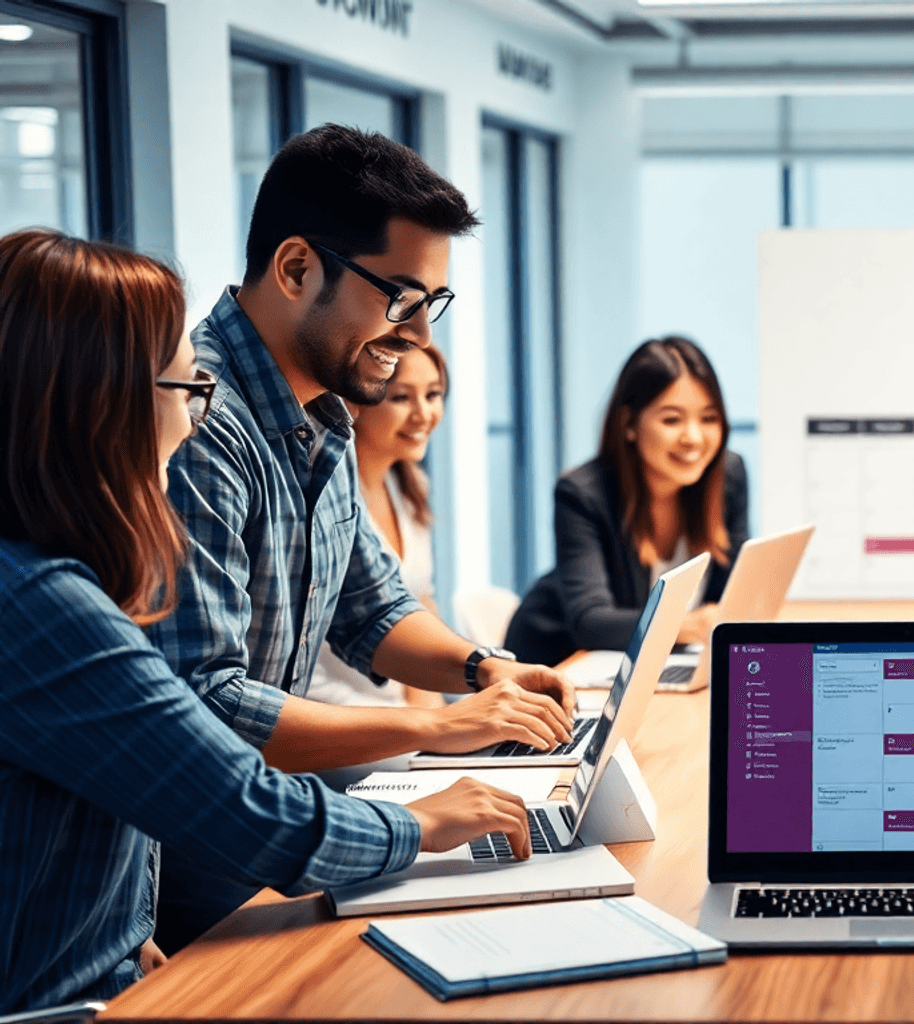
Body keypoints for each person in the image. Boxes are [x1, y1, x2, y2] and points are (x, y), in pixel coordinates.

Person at [0, 229, 534, 1013]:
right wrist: (422, 822)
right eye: (188, 391)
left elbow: (117, 780)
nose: (193, 424)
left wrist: (120, 926)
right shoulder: (45, 606)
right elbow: (244, 807)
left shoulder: (45, 578)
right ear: (100, 404)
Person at [146, 124, 577, 953]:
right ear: (298, 267)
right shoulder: (198, 423)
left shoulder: (326, 410)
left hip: (285, 837)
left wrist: (485, 671)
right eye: (401, 298)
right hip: (200, 883)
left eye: (431, 305)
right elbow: (208, 705)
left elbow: (371, 607)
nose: (418, 336)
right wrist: (435, 727)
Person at [505, 336, 748, 666]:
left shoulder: (727, 476)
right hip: (559, 665)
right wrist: (682, 627)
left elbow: (732, 593)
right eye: (672, 419)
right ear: (629, 424)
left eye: (708, 418)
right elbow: (590, 622)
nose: (693, 438)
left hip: (650, 666)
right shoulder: (582, 493)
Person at [308, 345, 449, 709]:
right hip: (335, 709)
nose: (424, 414)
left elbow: (423, 603)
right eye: (401, 397)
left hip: (401, 713)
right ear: (358, 400)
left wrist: (430, 717)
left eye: (433, 394)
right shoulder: (324, 494)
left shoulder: (409, 490)